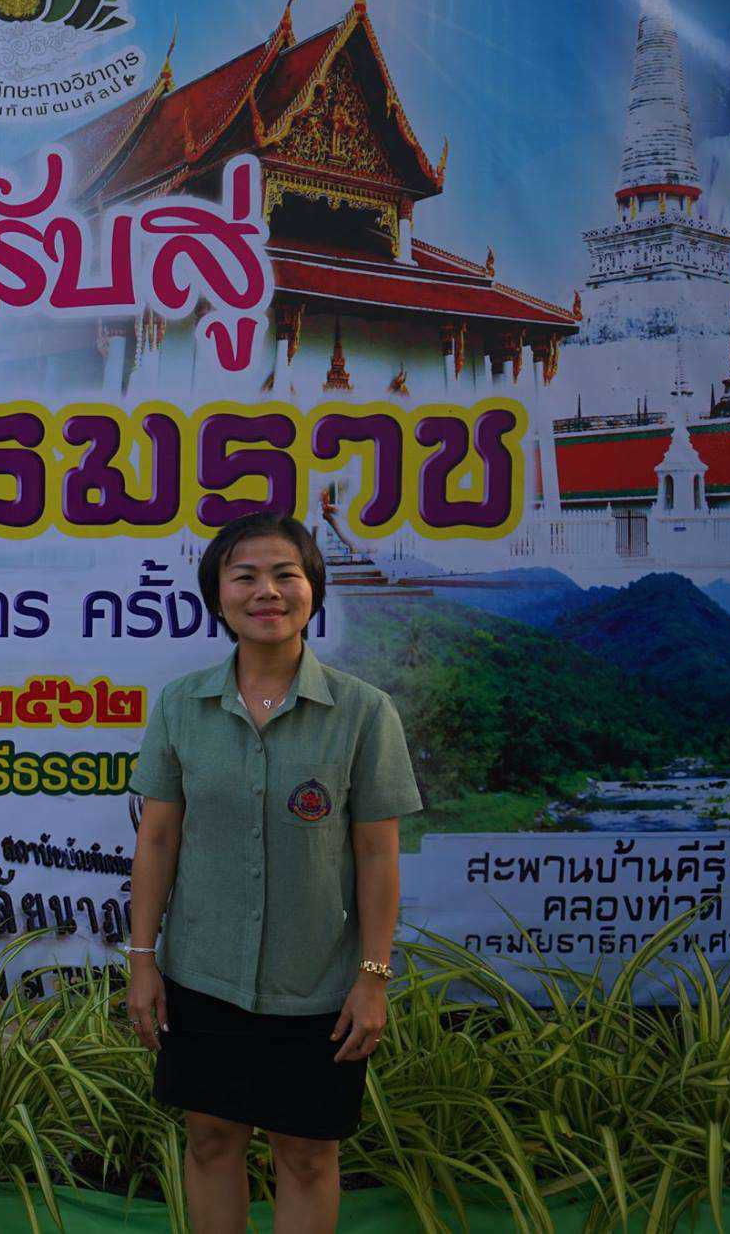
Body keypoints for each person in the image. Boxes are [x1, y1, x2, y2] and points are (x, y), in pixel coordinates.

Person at [124, 512, 422, 1234]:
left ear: (313, 590)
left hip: (318, 983)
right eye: (245, 576)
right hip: (204, 975)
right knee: (210, 1138)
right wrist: (142, 961)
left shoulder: (363, 712)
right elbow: (157, 839)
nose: (268, 591)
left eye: (286, 574)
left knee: (308, 1153)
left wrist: (373, 977)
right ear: (218, 595)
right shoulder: (182, 706)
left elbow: (378, 854)